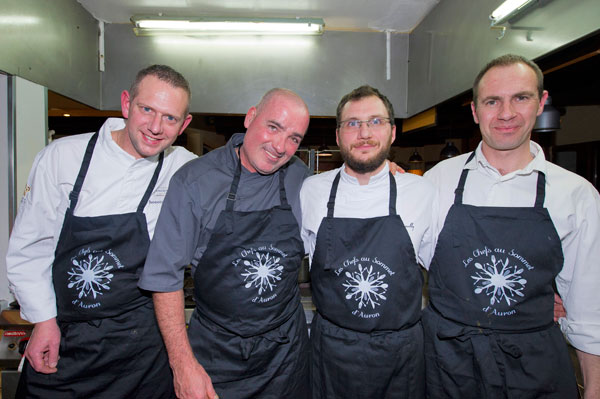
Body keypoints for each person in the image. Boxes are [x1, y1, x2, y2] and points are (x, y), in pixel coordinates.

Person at [6, 64, 196, 398]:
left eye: (170, 118)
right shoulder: (63, 157)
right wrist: (43, 320)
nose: (155, 127)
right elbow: (30, 247)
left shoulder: (182, 167)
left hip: (142, 351)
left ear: (184, 125)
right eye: (146, 109)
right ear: (126, 104)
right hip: (65, 340)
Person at [423, 54, 600, 398]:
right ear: (475, 111)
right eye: (492, 101)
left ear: (541, 102)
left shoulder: (577, 195)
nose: (506, 113)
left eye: (521, 97)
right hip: (447, 366)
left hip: (534, 369)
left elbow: (590, 314)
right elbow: (407, 253)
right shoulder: (437, 181)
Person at [139, 88, 311, 399]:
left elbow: (351, 191)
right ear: (250, 118)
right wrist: (182, 365)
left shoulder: (300, 177)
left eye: (294, 138)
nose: (280, 146)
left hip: (286, 356)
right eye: (273, 127)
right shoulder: (195, 181)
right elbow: (164, 278)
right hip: (218, 356)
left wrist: (386, 172)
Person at [300, 85, 437, 398]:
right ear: (338, 136)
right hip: (332, 350)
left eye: (375, 122)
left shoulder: (422, 192)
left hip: (401, 354)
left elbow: (445, 272)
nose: (364, 133)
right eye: (352, 123)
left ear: (392, 132)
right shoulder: (312, 190)